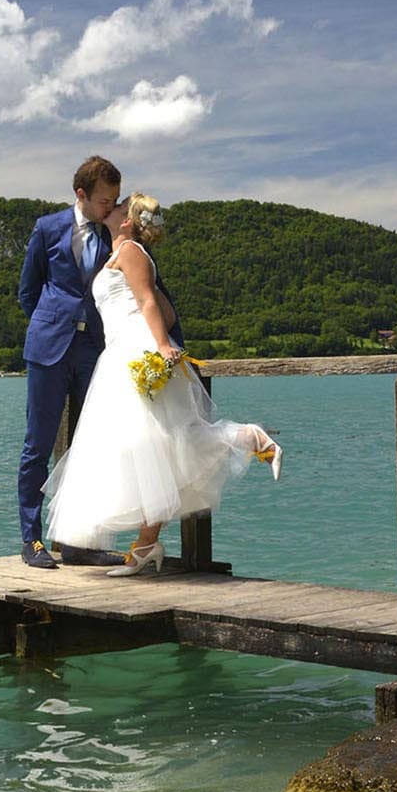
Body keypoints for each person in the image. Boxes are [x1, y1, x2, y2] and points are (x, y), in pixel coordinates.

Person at [43, 193, 282, 575]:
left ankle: (252, 437)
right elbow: (163, 306)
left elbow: (152, 306)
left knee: (160, 441)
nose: (112, 207)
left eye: (119, 206)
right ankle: (145, 546)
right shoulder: (118, 254)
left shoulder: (132, 251)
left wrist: (161, 346)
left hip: (137, 353)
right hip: (120, 351)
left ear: (127, 220)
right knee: (147, 448)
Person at [16, 156, 125, 569]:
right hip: (48, 348)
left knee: (90, 447)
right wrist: (53, 325)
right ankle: (33, 540)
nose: (110, 207)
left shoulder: (115, 230)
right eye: (104, 200)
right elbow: (28, 291)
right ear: (81, 194)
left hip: (93, 351)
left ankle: (81, 542)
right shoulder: (47, 228)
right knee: (37, 446)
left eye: (115, 199)